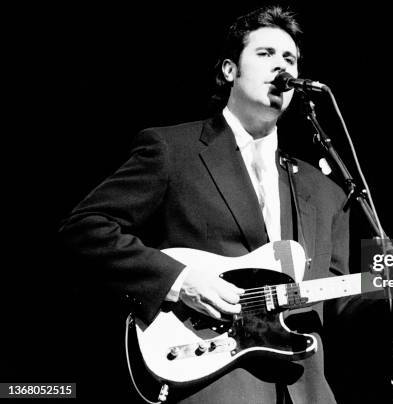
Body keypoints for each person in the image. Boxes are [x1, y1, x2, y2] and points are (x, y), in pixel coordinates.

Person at [59, 5, 352, 404]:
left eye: (290, 58)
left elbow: (337, 302)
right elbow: (87, 227)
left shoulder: (325, 189)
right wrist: (181, 282)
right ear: (229, 70)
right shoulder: (173, 150)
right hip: (215, 382)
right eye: (265, 54)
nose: (281, 66)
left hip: (306, 388)